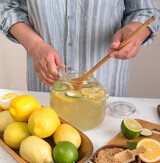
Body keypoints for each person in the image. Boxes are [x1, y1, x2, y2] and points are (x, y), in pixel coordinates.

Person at [0, 1, 160, 96]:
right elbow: (7, 7)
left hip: (106, 91)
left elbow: (146, 11)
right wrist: (34, 45)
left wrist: (134, 32)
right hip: (45, 89)